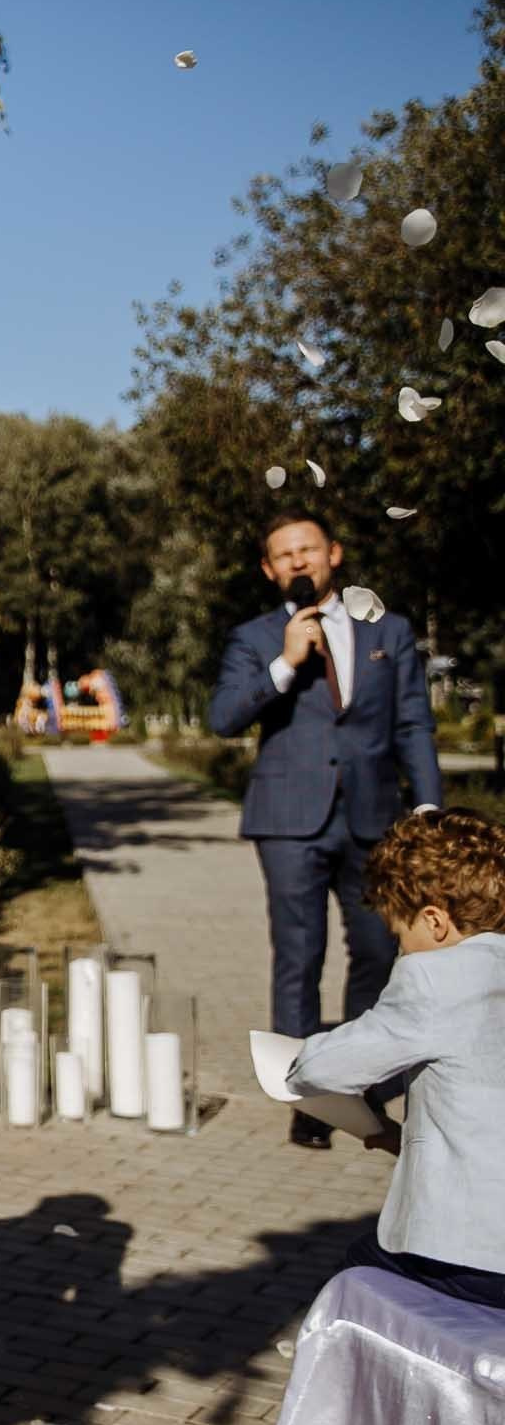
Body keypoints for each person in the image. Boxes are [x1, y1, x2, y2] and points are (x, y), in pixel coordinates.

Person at [209, 509, 442, 1149]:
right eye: (282, 555)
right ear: (269, 569)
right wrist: (283, 665)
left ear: (332, 554)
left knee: (375, 952)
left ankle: (361, 1084)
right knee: (299, 959)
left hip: (373, 820)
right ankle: (308, 1099)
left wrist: (426, 809)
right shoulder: (254, 637)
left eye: (306, 549)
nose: (297, 562)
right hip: (288, 823)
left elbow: (413, 725)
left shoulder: (388, 630)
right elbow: (223, 717)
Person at [288, 807, 505, 1309]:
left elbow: (325, 1068)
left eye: (399, 934)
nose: (399, 951)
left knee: (355, 1282)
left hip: (471, 1252)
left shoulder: (434, 980)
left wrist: (295, 1060)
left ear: (435, 921)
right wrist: (400, 1140)